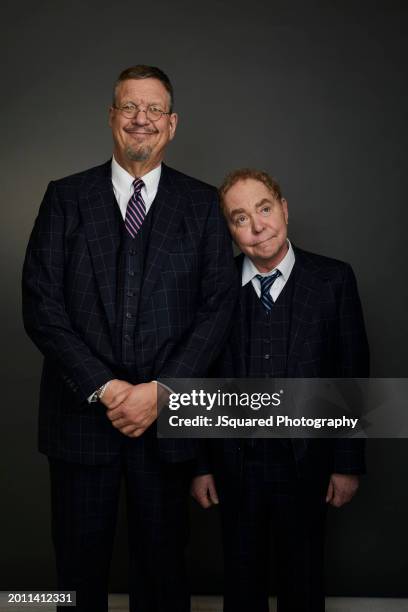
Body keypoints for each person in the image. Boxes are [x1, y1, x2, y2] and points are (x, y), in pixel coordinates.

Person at [22, 64, 237, 612]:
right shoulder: (64, 198)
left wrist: (160, 394)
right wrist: (110, 389)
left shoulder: (202, 204)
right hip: (81, 419)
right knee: (76, 571)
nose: (142, 119)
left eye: (154, 109)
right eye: (129, 107)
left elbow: (216, 310)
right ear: (112, 117)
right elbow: (41, 305)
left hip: (166, 428)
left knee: (163, 570)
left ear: (172, 124)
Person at [191, 169, 369, 612]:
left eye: (264, 209)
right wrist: (198, 465)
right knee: (242, 580)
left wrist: (347, 464)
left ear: (284, 209)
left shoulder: (334, 281)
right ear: (229, 230)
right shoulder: (214, 289)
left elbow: (352, 375)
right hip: (236, 466)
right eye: (239, 218)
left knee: (303, 580)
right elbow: (198, 379)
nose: (257, 226)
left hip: (307, 463)